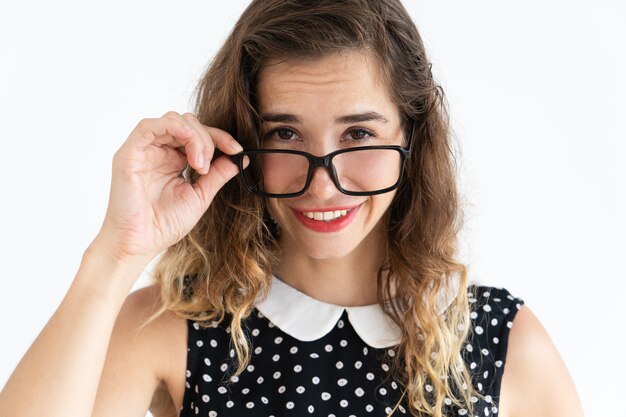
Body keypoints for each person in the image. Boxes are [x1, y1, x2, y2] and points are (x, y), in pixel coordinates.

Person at [0, 1, 585, 416]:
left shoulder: (501, 340)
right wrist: (117, 251)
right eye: (284, 135)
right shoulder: (177, 328)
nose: (323, 185)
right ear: (242, 139)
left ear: (412, 140)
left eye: (358, 135)